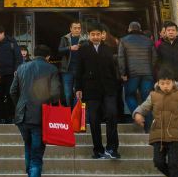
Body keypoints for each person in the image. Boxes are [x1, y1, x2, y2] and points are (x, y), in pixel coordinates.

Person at [10, 44, 61, 177]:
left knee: (29, 148)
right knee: (37, 159)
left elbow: (13, 91)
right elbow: (55, 95)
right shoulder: (51, 68)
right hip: (40, 117)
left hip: (22, 116)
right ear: (47, 57)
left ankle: (30, 175)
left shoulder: (22, 67)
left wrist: (20, 105)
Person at [74, 23, 121, 159]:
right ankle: (98, 149)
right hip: (91, 90)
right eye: (93, 34)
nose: (95, 37)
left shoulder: (109, 49)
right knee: (94, 119)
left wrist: (115, 85)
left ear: (102, 35)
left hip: (108, 89)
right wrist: (78, 88)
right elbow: (78, 70)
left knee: (112, 115)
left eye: (98, 34)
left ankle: (112, 148)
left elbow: (113, 70)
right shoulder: (83, 50)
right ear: (89, 36)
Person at [118, 21, 157, 128]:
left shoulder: (123, 40)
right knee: (147, 100)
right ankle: (148, 127)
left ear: (129, 29)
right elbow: (154, 59)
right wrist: (151, 71)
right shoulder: (149, 41)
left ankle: (138, 115)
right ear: (140, 30)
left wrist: (123, 73)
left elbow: (121, 58)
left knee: (129, 95)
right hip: (147, 74)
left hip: (132, 74)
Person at [0, 26, 24, 123]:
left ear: (3, 33)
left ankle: (10, 116)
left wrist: (16, 69)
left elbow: (18, 58)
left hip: (11, 74)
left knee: (10, 95)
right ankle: (1, 117)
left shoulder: (12, 43)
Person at [57, 21, 86, 107]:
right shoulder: (64, 38)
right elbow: (59, 51)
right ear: (71, 29)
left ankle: (76, 114)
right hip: (67, 70)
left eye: (79, 28)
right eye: (75, 28)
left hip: (80, 70)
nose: (77, 30)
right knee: (68, 94)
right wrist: (70, 48)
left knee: (79, 93)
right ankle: (69, 113)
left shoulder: (84, 39)